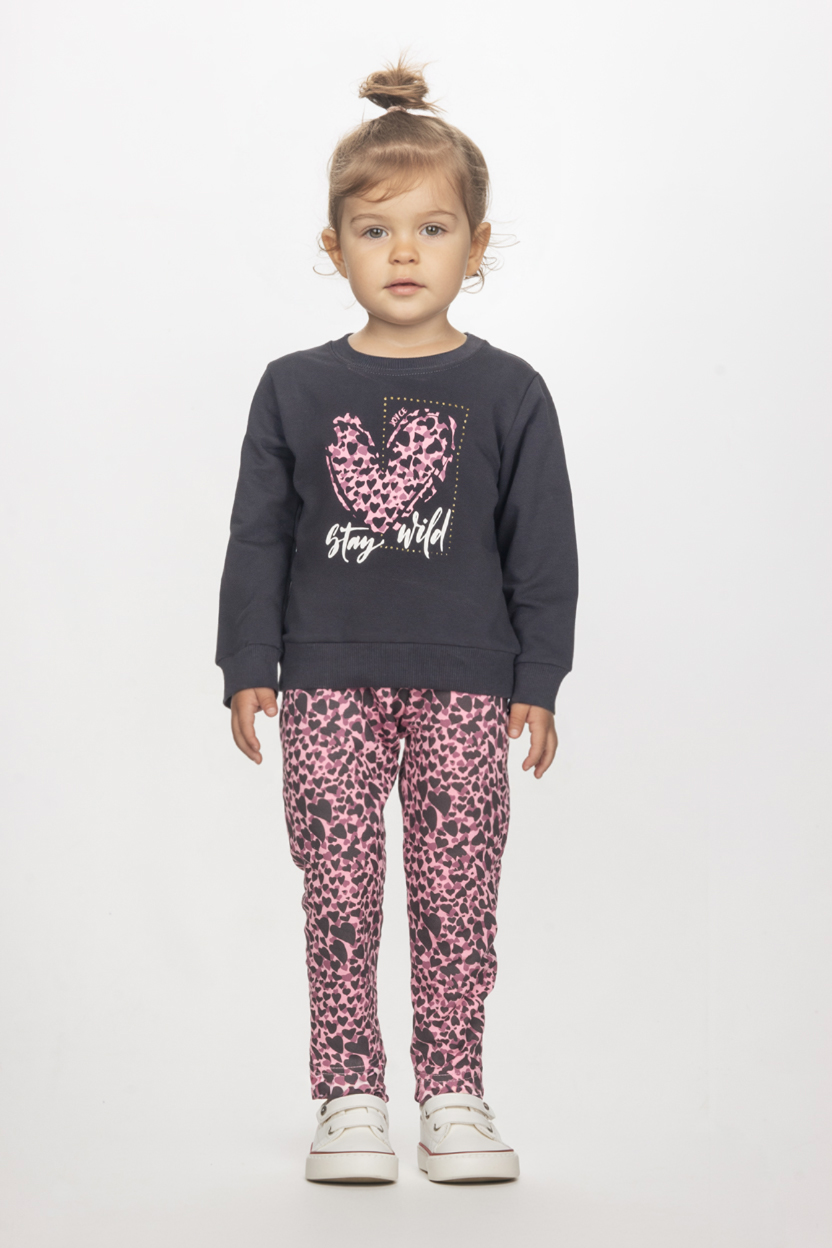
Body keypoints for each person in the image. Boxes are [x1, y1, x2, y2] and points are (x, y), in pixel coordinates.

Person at [215, 54, 579, 1185]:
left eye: (432, 229)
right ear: (335, 248)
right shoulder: (293, 387)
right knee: (338, 892)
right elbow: (260, 533)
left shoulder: (511, 392)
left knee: (456, 895)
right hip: (325, 682)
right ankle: (350, 1096)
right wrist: (247, 660)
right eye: (376, 231)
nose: (405, 253)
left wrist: (539, 678)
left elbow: (543, 547)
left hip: (469, 684)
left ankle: (454, 1093)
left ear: (477, 244)